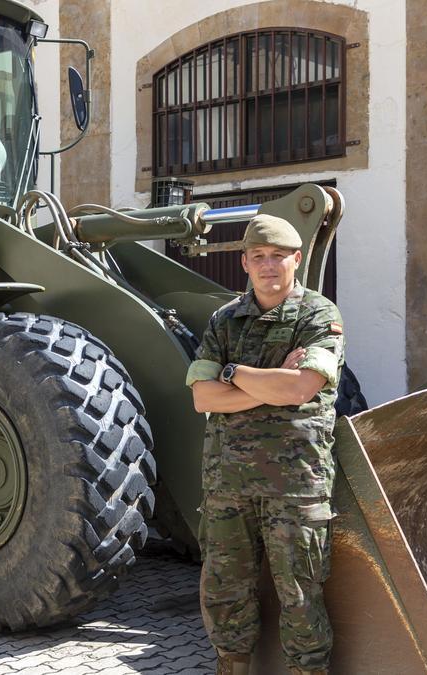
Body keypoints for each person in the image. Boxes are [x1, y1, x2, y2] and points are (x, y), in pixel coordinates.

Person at [186, 214, 345, 675]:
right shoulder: (225, 319)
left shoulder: (318, 315)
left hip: (295, 484)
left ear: (296, 259)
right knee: (224, 591)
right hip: (227, 483)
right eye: (259, 257)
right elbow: (202, 397)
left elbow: (301, 390)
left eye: (278, 256)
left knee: (299, 594)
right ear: (245, 263)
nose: (269, 265)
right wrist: (266, 379)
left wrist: (232, 374)